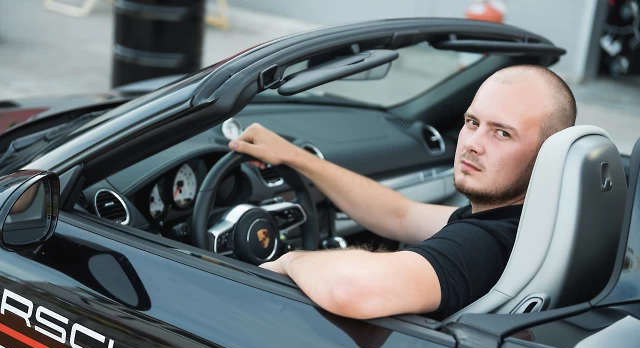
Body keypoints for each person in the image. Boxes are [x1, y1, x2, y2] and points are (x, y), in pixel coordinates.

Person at [228, 64, 577, 320]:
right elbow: (400, 214)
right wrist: (295, 157)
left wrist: (289, 260)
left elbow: (351, 290)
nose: (472, 143)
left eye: (502, 133)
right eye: (472, 122)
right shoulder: (529, 221)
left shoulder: (488, 242)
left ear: (549, 155)